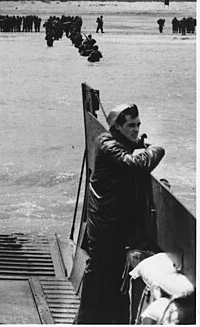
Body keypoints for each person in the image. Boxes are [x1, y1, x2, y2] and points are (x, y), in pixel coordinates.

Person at [74, 104, 165, 324]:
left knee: (110, 276)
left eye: (138, 125)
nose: (136, 129)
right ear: (117, 127)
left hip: (113, 223)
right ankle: (83, 322)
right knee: (96, 276)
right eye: (131, 126)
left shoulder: (115, 142)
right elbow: (134, 165)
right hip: (105, 225)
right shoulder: (107, 144)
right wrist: (156, 150)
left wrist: (138, 144)